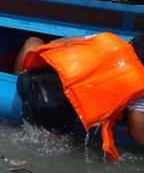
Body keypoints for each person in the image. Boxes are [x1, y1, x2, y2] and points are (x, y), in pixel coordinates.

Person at [14, 32, 144, 161]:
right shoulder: (138, 81)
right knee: (53, 157)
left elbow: (55, 43)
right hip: (52, 108)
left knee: (33, 41)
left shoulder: (106, 39)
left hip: (30, 77)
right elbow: (138, 133)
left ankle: (12, 83)